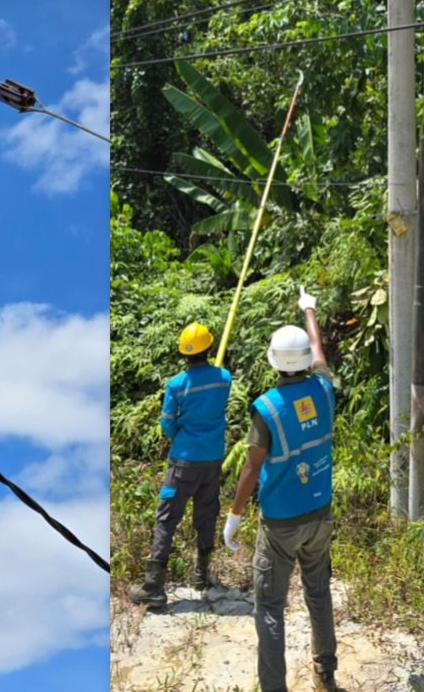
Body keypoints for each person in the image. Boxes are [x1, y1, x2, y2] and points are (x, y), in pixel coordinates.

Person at [223, 287, 338, 692]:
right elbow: (320, 353)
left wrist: (234, 516)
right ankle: (326, 674)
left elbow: (252, 468)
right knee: (318, 593)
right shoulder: (324, 388)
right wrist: (310, 310)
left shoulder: (266, 407)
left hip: (280, 526)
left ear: (273, 362)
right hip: (320, 515)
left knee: (270, 607)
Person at [128, 321, 231, 608]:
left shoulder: (177, 385)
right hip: (213, 458)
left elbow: (167, 422)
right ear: (209, 348)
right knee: (207, 514)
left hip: (184, 459)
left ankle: (154, 586)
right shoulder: (224, 378)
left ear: (184, 354)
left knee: (167, 519)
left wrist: (180, 439)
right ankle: (202, 575)